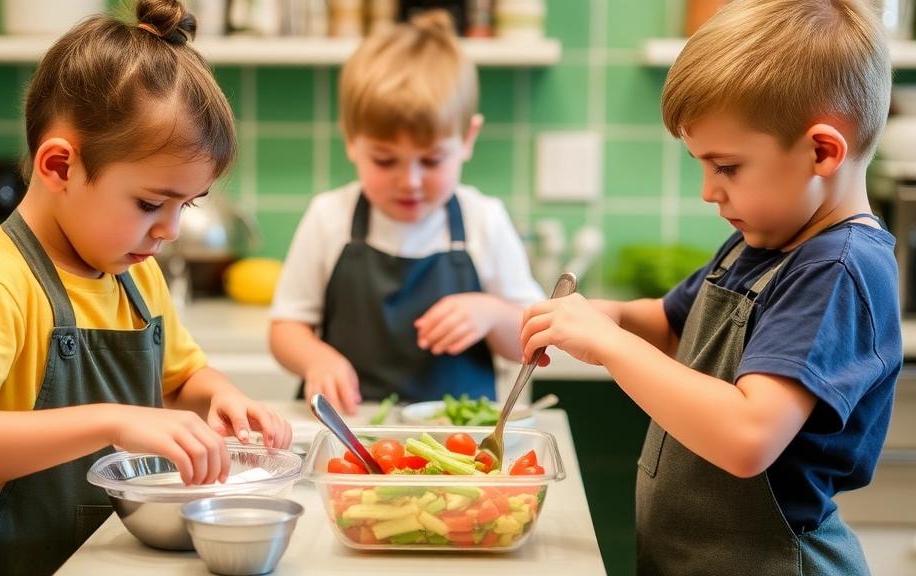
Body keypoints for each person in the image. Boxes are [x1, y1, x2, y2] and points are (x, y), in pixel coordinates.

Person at [0, 2, 291, 575]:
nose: (170, 230)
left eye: (186, 205)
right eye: (151, 203)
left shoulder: (135, 274)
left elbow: (179, 384)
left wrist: (221, 398)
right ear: (59, 166)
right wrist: (112, 420)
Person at [518, 1, 899, 574]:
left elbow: (748, 436)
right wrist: (609, 316)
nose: (707, 191)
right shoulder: (765, 241)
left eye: (726, 167)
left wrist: (609, 345)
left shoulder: (837, 268)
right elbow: (676, 327)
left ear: (823, 151)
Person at [268, 9, 544, 415]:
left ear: (468, 139)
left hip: (459, 443)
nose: (409, 181)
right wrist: (315, 359)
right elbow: (285, 329)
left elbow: (529, 343)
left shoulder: (484, 220)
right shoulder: (330, 217)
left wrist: (493, 314)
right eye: (384, 160)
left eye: (431, 161)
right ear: (351, 141)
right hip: (351, 431)